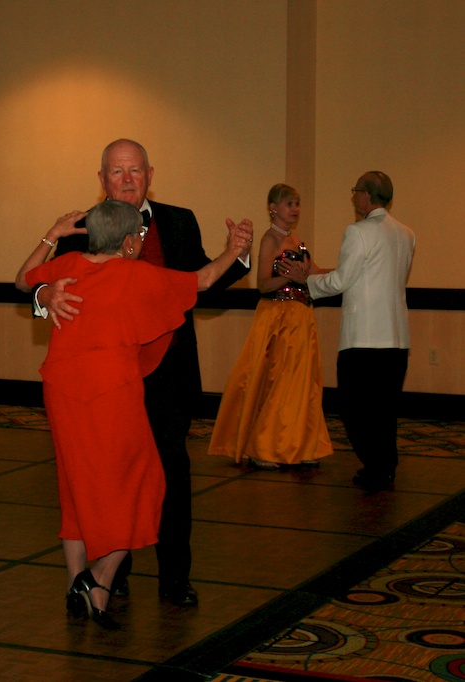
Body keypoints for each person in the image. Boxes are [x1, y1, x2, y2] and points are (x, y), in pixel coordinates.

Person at [31, 139, 252, 606]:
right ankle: (113, 577)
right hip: (102, 380)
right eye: (117, 172)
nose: (127, 179)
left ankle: (174, 580)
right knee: (102, 477)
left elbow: (201, 282)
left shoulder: (179, 219)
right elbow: (33, 281)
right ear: (102, 179)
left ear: (151, 174)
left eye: (135, 171)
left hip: (167, 373)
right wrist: (44, 297)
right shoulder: (79, 226)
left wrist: (240, 254)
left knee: (168, 474)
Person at [302, 172, 415, 491]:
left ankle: (375, 466)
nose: (353, 197)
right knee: (385, 409)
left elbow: (341, 282)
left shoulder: (357, 232)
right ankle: (385, 466)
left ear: (367, 196)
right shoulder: (406, 234)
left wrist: (307, 281)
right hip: (397, 336)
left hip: (364, 337)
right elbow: (373, 277)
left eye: (355, 191)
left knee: (354, 408)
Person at [208, 184, 333, 468]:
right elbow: (263, 284)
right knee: (278, 380)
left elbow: (314, 272)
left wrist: (348, 270)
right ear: (273, 208)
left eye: (298, 203)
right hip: (278, 317)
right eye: (290, 203)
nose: (296, 209)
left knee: (301, 383)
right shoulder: (269, 240)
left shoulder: (295, 238)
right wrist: (291, 279)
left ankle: (299, 444)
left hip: (300, 318)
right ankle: (263, 446)